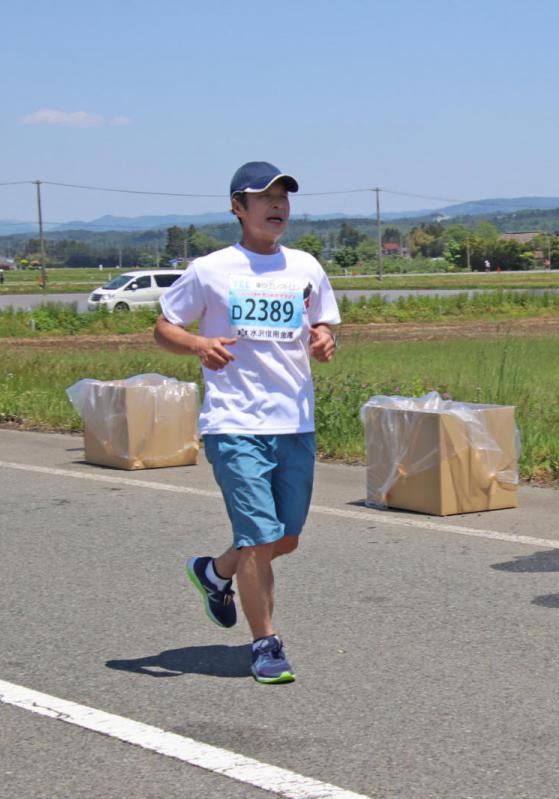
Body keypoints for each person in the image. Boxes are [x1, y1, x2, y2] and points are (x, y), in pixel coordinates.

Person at [155, 161, 340, 683]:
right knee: (259, 539)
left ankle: (214, 573)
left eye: (283, 197)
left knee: (285, 539)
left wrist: (326, 338)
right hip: (234, 423)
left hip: (295, 422)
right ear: (238, 207)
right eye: (264, 197)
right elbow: (164, 326)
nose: (277, 205)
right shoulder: (211, 269)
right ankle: (265, 643)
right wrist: (198, 343)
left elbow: (321, 323)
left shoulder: (305, 266)